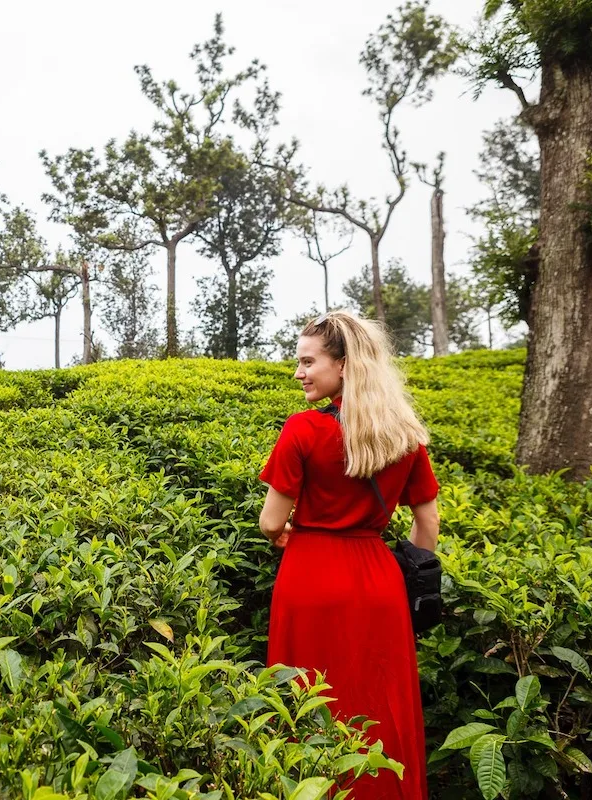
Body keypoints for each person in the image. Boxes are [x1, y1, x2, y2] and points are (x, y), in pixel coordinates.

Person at [258, 310, 440, 800]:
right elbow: (428, 522)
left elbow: (271, 521)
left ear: (344, 365)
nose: (298, 372)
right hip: (379, 584)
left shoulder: (302, 430)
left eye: (307, 361)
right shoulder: (404, 435)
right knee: (381, 706)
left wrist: (286, 531)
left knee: (308, 706)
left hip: (310, 576)